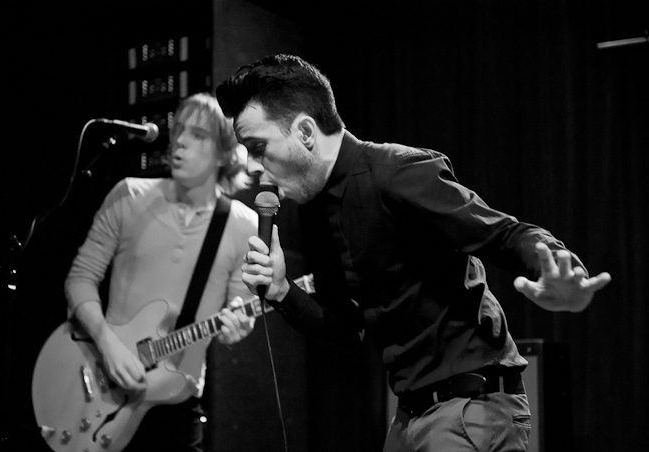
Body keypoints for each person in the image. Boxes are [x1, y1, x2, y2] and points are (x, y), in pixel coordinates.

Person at [215, 54, 612, 451]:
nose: (251, 166)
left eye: (257, 147)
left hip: (469, 407)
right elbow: (348, 329)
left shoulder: (396, 172)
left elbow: (505, 232)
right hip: (410, 416)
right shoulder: (316, 211)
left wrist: (556, 268)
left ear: (305, 131)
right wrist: (282, 292)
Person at [64, 92, 258, 452]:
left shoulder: (243, 225)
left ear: (224, 154)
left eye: (197, 135)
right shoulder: (128, 194)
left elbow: (240, 310)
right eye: (179, 130)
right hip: (104, 383)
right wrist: (107, 344)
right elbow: (80, 278)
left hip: (176, 405)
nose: (180, 141)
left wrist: (238, 325)